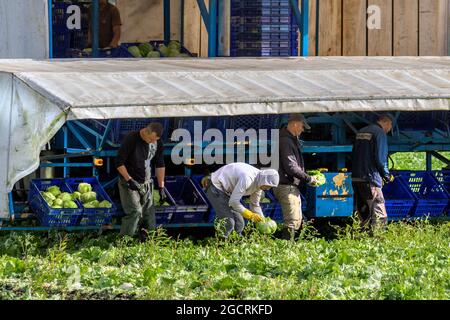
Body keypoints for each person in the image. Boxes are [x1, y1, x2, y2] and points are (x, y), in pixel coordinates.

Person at [116, 122, 167, 239]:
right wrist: (129, 179)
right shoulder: (132, 139)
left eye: (156, 140)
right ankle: (125, 242)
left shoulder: (157, 142)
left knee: (149, 214)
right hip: (129, 182)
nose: (153, 142)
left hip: (147, 183)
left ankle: (147, 241)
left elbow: (160, 165)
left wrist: (161, 187)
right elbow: (119, 162)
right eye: (151, 139)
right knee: (135, 212)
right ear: (146, 132)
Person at [273, 114, 319, 241]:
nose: (302, 130)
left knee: (296, 220)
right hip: (286, 186)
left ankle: (290, 249)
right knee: (292, 221)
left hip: (287, 185)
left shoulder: (287, 139)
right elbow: (291, 167)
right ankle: (287, 250)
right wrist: (309, 178)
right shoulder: (285, 141)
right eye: (302, 127)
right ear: (294, 124)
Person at [204, 163, 279, 237]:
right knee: (229, 222)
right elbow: (233, 202)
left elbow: (255, 204)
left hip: (226, 192)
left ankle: (236, 244)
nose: (268, 189)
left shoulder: (260, 184)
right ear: (264, 180)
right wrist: (250, 215)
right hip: (216, 187)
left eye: (270, 187)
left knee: (240, 223)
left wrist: (262, 220)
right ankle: (221, 245)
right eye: (268, 186)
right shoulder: (247, 178)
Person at [351, 114, 395, 233]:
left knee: (363, 209)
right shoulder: (379, 133)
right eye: (391, 126)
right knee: (378, 208)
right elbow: (381, 159)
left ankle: (362, 236)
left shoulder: (361, 131)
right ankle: (378, 238)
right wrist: (386, 175)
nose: (390, 129)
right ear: (386, 122)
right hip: (370, 178)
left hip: (356, 177)